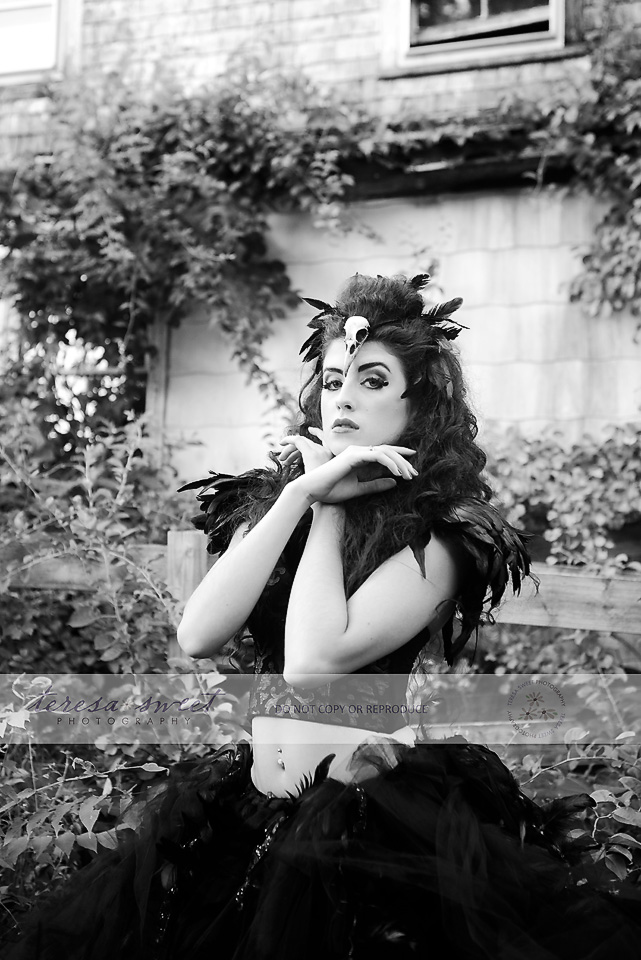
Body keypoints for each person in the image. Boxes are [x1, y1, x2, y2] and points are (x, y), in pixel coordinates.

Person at [7, 273, 641, 959]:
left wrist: (332, 511)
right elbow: (198, 633)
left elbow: (313, 663)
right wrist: (297, 497)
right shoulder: (279, 504)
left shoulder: (442, 535)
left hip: (366, 823)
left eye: (372, 381)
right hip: (249, 805)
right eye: (334, 379)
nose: (344, 396)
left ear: (419, 406)